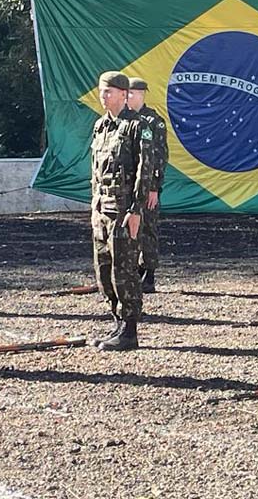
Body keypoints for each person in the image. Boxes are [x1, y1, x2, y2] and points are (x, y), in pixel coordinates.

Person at [87, 71, 154, 351]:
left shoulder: (138, 127)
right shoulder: (101, 127)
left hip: (124, 211)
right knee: (103, 272)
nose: (104, 96)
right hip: (102, 210)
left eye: (109, 92)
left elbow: (145, 170)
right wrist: (94, 207)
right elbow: (96, 170)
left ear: (124, 95)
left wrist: (137, 210)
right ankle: (117, 322)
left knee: (123, 271)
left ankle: (129, 330)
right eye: (102, 91)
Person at [127, 77, 167, 293]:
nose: (129, 98)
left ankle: (148, 273)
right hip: (127, 187)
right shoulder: (124, 120)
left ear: (142, 94)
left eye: (132, 94)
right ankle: (131, 271)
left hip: (147, 186)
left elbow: (159, 156)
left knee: (148, 229)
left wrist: (154, 187)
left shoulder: (153, 122)